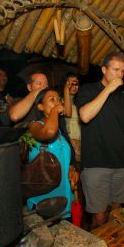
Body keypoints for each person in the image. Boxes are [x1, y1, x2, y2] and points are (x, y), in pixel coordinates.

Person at [76, 52, 124, 228]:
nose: (120, 74)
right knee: (99, 216)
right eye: (115, 70)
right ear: (104, 70)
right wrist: (108, 89)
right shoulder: (88, 90)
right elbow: (85, 115)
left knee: (117, 212)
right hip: (96, 164)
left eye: (122, 71)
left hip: (123, 164)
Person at [26, 88, 78, 218]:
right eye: (52, 100)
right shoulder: (34, 126)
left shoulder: (59, 131)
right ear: (40, 107)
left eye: (58, 99)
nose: (57, 102)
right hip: (45, 201)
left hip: (64, 197)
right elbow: (48, 133)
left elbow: (63, 157)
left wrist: (71, 169)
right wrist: (55, 110)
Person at [63, 73, 81, 163]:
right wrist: (66, 89)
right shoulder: (60, 101)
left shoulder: (80, 102)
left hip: (80, 142)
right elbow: (68, 113)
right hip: (68, 141)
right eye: (71, 84)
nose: (74, 86)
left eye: (76, 84)